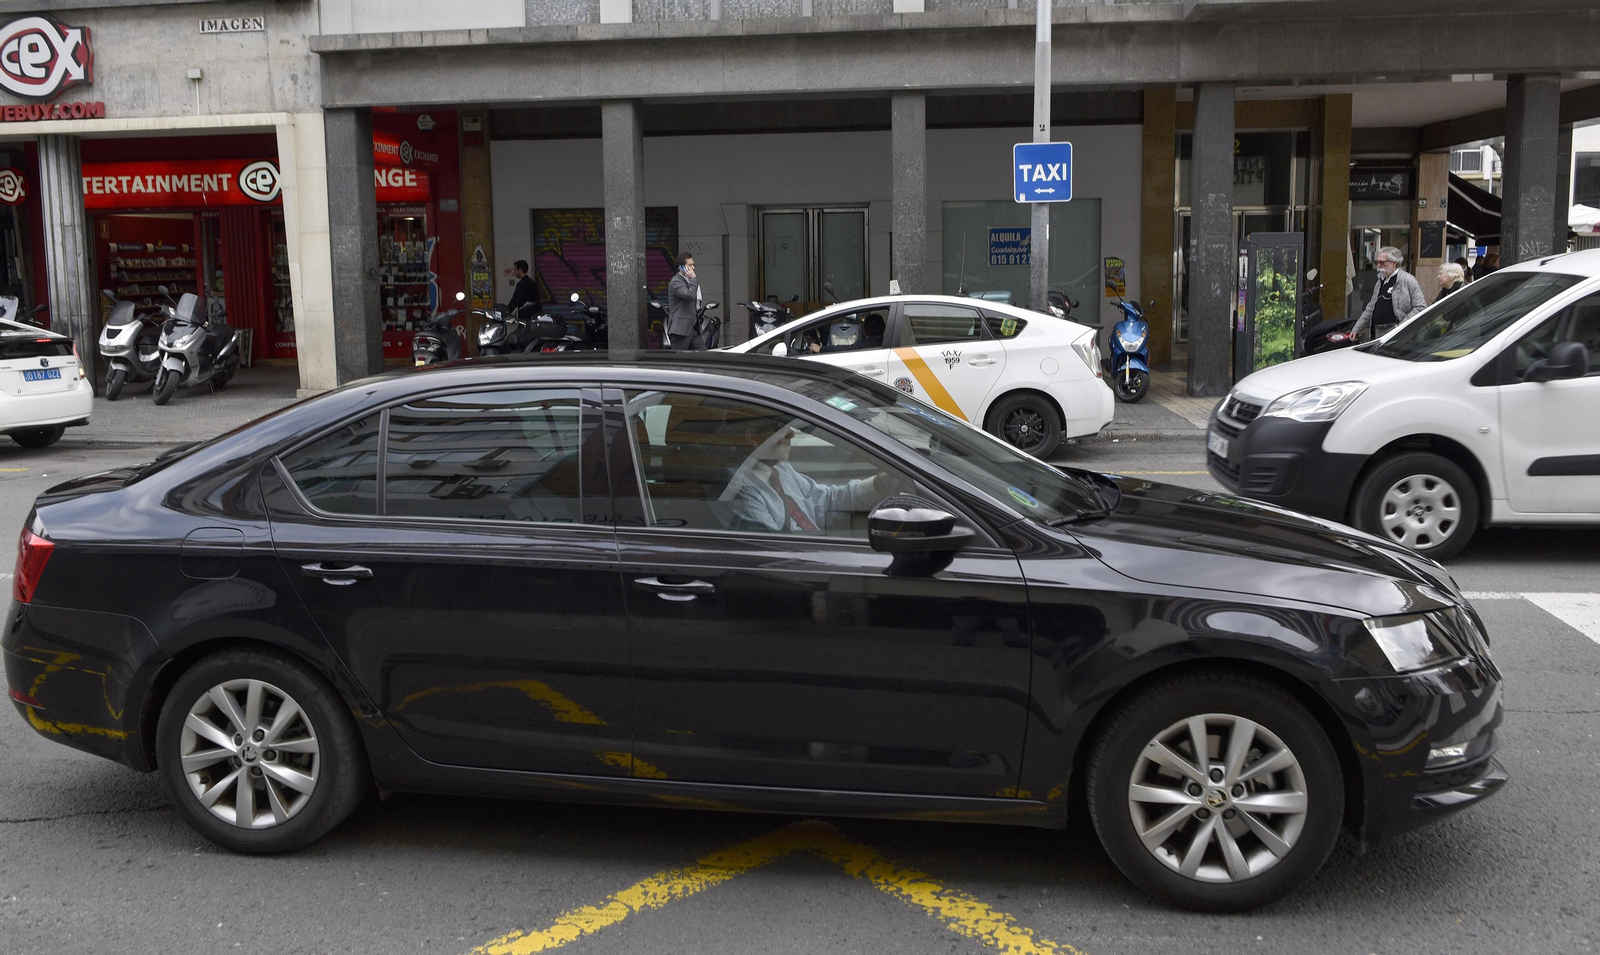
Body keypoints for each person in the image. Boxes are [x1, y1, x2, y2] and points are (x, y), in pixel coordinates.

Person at [722, 420, 891, 534]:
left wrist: (879, 483)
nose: (791, 434)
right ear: (752, 437)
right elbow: (776, 547)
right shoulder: (742, 491)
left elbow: (824, 500)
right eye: (780, 427)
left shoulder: (781, 469)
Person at [1353, 246, 1425, 342]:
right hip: (1377, 332)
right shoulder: (1380, 281)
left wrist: (1400, 328)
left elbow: (1420, 307)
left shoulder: (1407, 280)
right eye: (1377, 262)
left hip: (1396, 333)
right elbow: (1371, 307)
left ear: (1394, 263)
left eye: (1382, 262)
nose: (1379, 265)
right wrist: (1357, 328)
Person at [667, 254, 699, 349]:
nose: (693, 268)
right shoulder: (675, 282)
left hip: (693, 328)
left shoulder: (688, 281)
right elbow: (690, 295)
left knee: (702, 355)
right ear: (681, 267)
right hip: (680, 330)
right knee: (680, 356)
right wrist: (693, 278)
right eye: (690, 265)